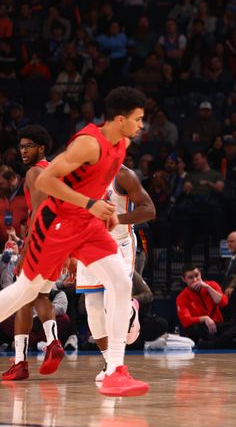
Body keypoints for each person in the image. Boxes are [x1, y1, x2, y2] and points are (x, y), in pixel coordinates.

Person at [0, 86, 149, 397]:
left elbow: (95, 186)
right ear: (120, 119)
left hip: (88, 223)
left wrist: (102, 211)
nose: (141, 125)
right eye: (138, 119)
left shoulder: (121, 143)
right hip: (57, 223)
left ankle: (115, 370)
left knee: (121, 284)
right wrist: (89, 204)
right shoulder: (87, 143)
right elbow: (45, 180)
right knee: (25, 291)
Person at [76, 164, 156, 382]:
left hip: (118, 243)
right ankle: (109, 363)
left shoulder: (122, 175)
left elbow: (150, 210)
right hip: (89, 244)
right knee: (92, 307)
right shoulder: (80, 176)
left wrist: (117, 219)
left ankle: (128, 313)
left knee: (112, 303)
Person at [3, 125, 63, 382]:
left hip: (40, 242)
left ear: (42, 147)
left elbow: (39, 212)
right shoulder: (53, 172)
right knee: (40, 295)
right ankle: (52, 342)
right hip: (57, 242)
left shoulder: (34, 172)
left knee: (22, 301)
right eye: (21, 146)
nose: (23, 151)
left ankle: (21, 362)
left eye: (29, 146)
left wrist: (28, 246)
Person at [176, 265, 236, 348]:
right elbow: (186, 320)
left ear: (200, 274)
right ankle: (227, 342)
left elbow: (224, 303)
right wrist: (204, 318)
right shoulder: (182, 297)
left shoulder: (212, 285)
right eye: (190, 278)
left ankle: (213, 343)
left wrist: (207, 287)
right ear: (184, 279)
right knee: (192, 328)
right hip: (201, 328)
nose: (195, 280)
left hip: (217, 326)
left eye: (197, 275)